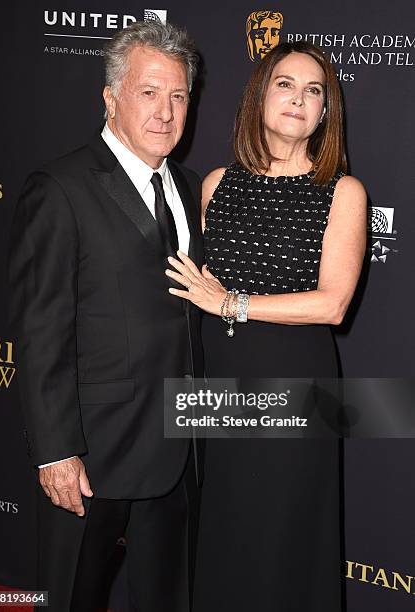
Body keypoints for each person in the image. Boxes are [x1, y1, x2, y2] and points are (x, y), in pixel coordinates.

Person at [8, 21, 203, 612]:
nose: (165, 113)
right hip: (92, 454)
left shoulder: (191, 187)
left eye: (178, 96)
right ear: (111, 96)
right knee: (71, 598)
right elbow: (39, 331)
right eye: (148, 92)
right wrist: (54, 449)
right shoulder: (60, 187)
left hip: (178, 447)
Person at [166, 41, 366, 611]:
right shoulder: (215, 184)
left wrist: (233, 304)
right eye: (285, 84)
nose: (298, 99)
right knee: (224, 523)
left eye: (313, 91)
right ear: (260, 96)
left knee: (283, 532)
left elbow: (332, 305)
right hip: (218, 377)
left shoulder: (343, 192)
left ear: (326, 112)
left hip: (293, 381)